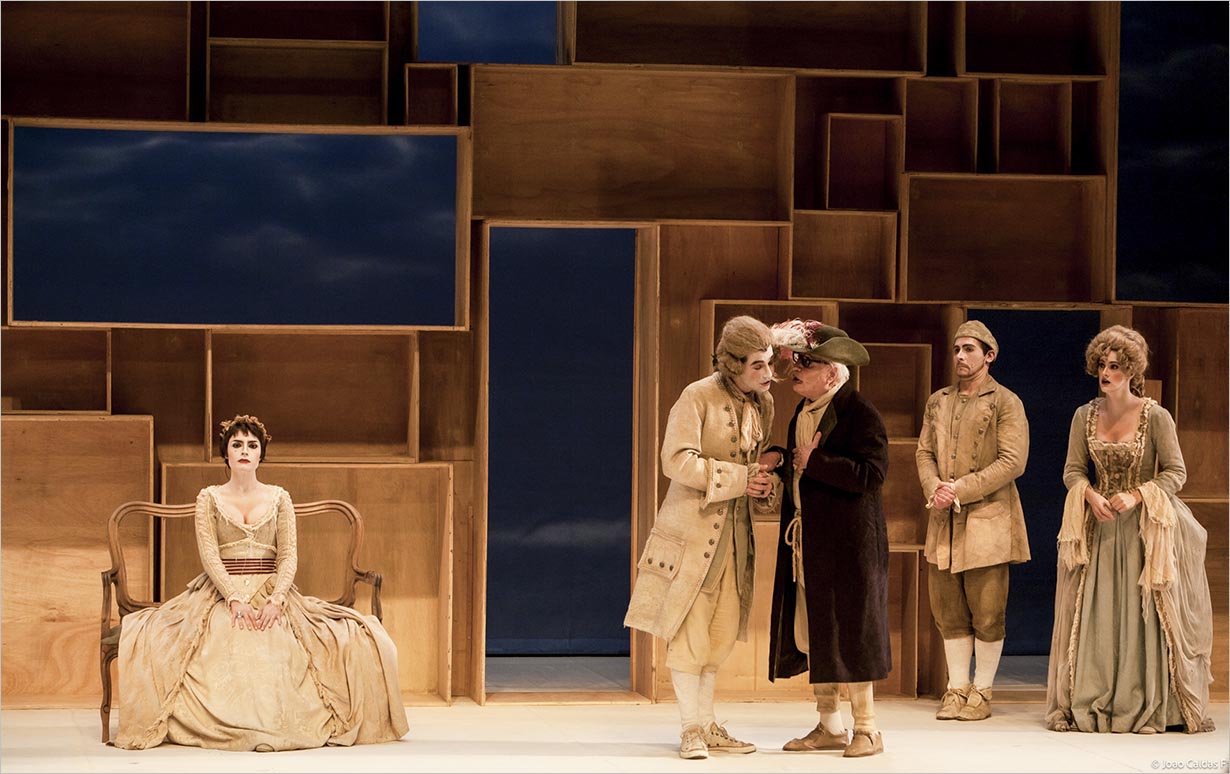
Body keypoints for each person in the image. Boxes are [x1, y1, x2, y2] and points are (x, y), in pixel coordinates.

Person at [115, 415, 409, 751]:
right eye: (237, 444)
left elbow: (288, 556)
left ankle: (280, 725)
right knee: (221, 636)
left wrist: (277, 600)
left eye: (252, 445)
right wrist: (233, 598)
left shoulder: (279, 497)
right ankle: (230, 726)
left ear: (260, 455)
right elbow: (209, 555)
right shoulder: (208, 497)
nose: (244, 450)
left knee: (284, 638)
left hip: (271, 590)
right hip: (222, 591)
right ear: (226, 453)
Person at [1045, 326, 1215, 734]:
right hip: (1100, 530)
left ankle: (1147, 703)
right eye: (1103, 365)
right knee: (1098, 615)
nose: (1107, 373)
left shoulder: (1155, 417)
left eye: (1116, 366)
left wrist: (1137, 495)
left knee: (1144, 617)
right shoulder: (1084, 415)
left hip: (1144, 533)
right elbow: (1072, 471)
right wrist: (1090, 495)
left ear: (1132, 371)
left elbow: (1176, 472)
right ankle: (1095, 697)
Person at [624, 316, 779, 760]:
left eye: (769, 363)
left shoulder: (763, 404)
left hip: (735, 537)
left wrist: (762, 483)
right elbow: (675, 460)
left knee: (719, 635)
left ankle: (708, 724)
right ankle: (690, 728)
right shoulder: (697, 396)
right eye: (758, 365)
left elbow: (754, 460)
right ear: (732, 363)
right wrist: (740, 478)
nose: (768, 374)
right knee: (690, 634)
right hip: (694, 533)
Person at [765, 319, 890, 758]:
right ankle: (829, 725)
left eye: (807, 363)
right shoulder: (804, 411)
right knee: (817, 629)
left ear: (832, 372)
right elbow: (802, 466)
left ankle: (868, 729)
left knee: (853, 631)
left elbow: (872, 474)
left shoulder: (859, 412)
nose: (796, 370)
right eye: (797, 361)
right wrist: (781, 459)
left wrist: (815, 461)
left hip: (850, 547)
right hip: (812, 544)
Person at [914, 320, 1029, 722]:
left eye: (969, 349)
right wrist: (935, 487)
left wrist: (960, 488)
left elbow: (1013, 461)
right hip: (944, 519)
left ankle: (982, 690)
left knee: (988, 610)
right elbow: (924, 452)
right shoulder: (938, 401)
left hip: (988, 520)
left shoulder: (1006, 402)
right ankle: (956, 687)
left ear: (989, 355)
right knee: (947, 609)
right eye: (957, 349)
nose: (960, 356)